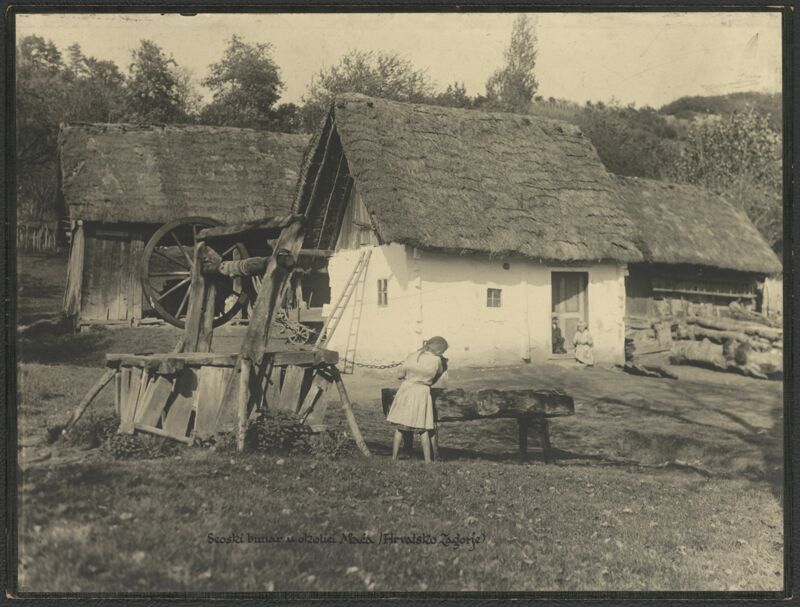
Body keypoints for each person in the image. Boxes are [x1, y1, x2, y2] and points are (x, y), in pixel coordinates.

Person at [386, 336, 449, 463]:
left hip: (406, 390)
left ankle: (393, 458)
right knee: (423, 427)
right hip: (422, 392)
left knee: (400, 426)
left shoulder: (412, 355)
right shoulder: (437, 360)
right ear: (439, 350)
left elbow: (400, 375)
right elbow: (437, 376)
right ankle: (427, 460)